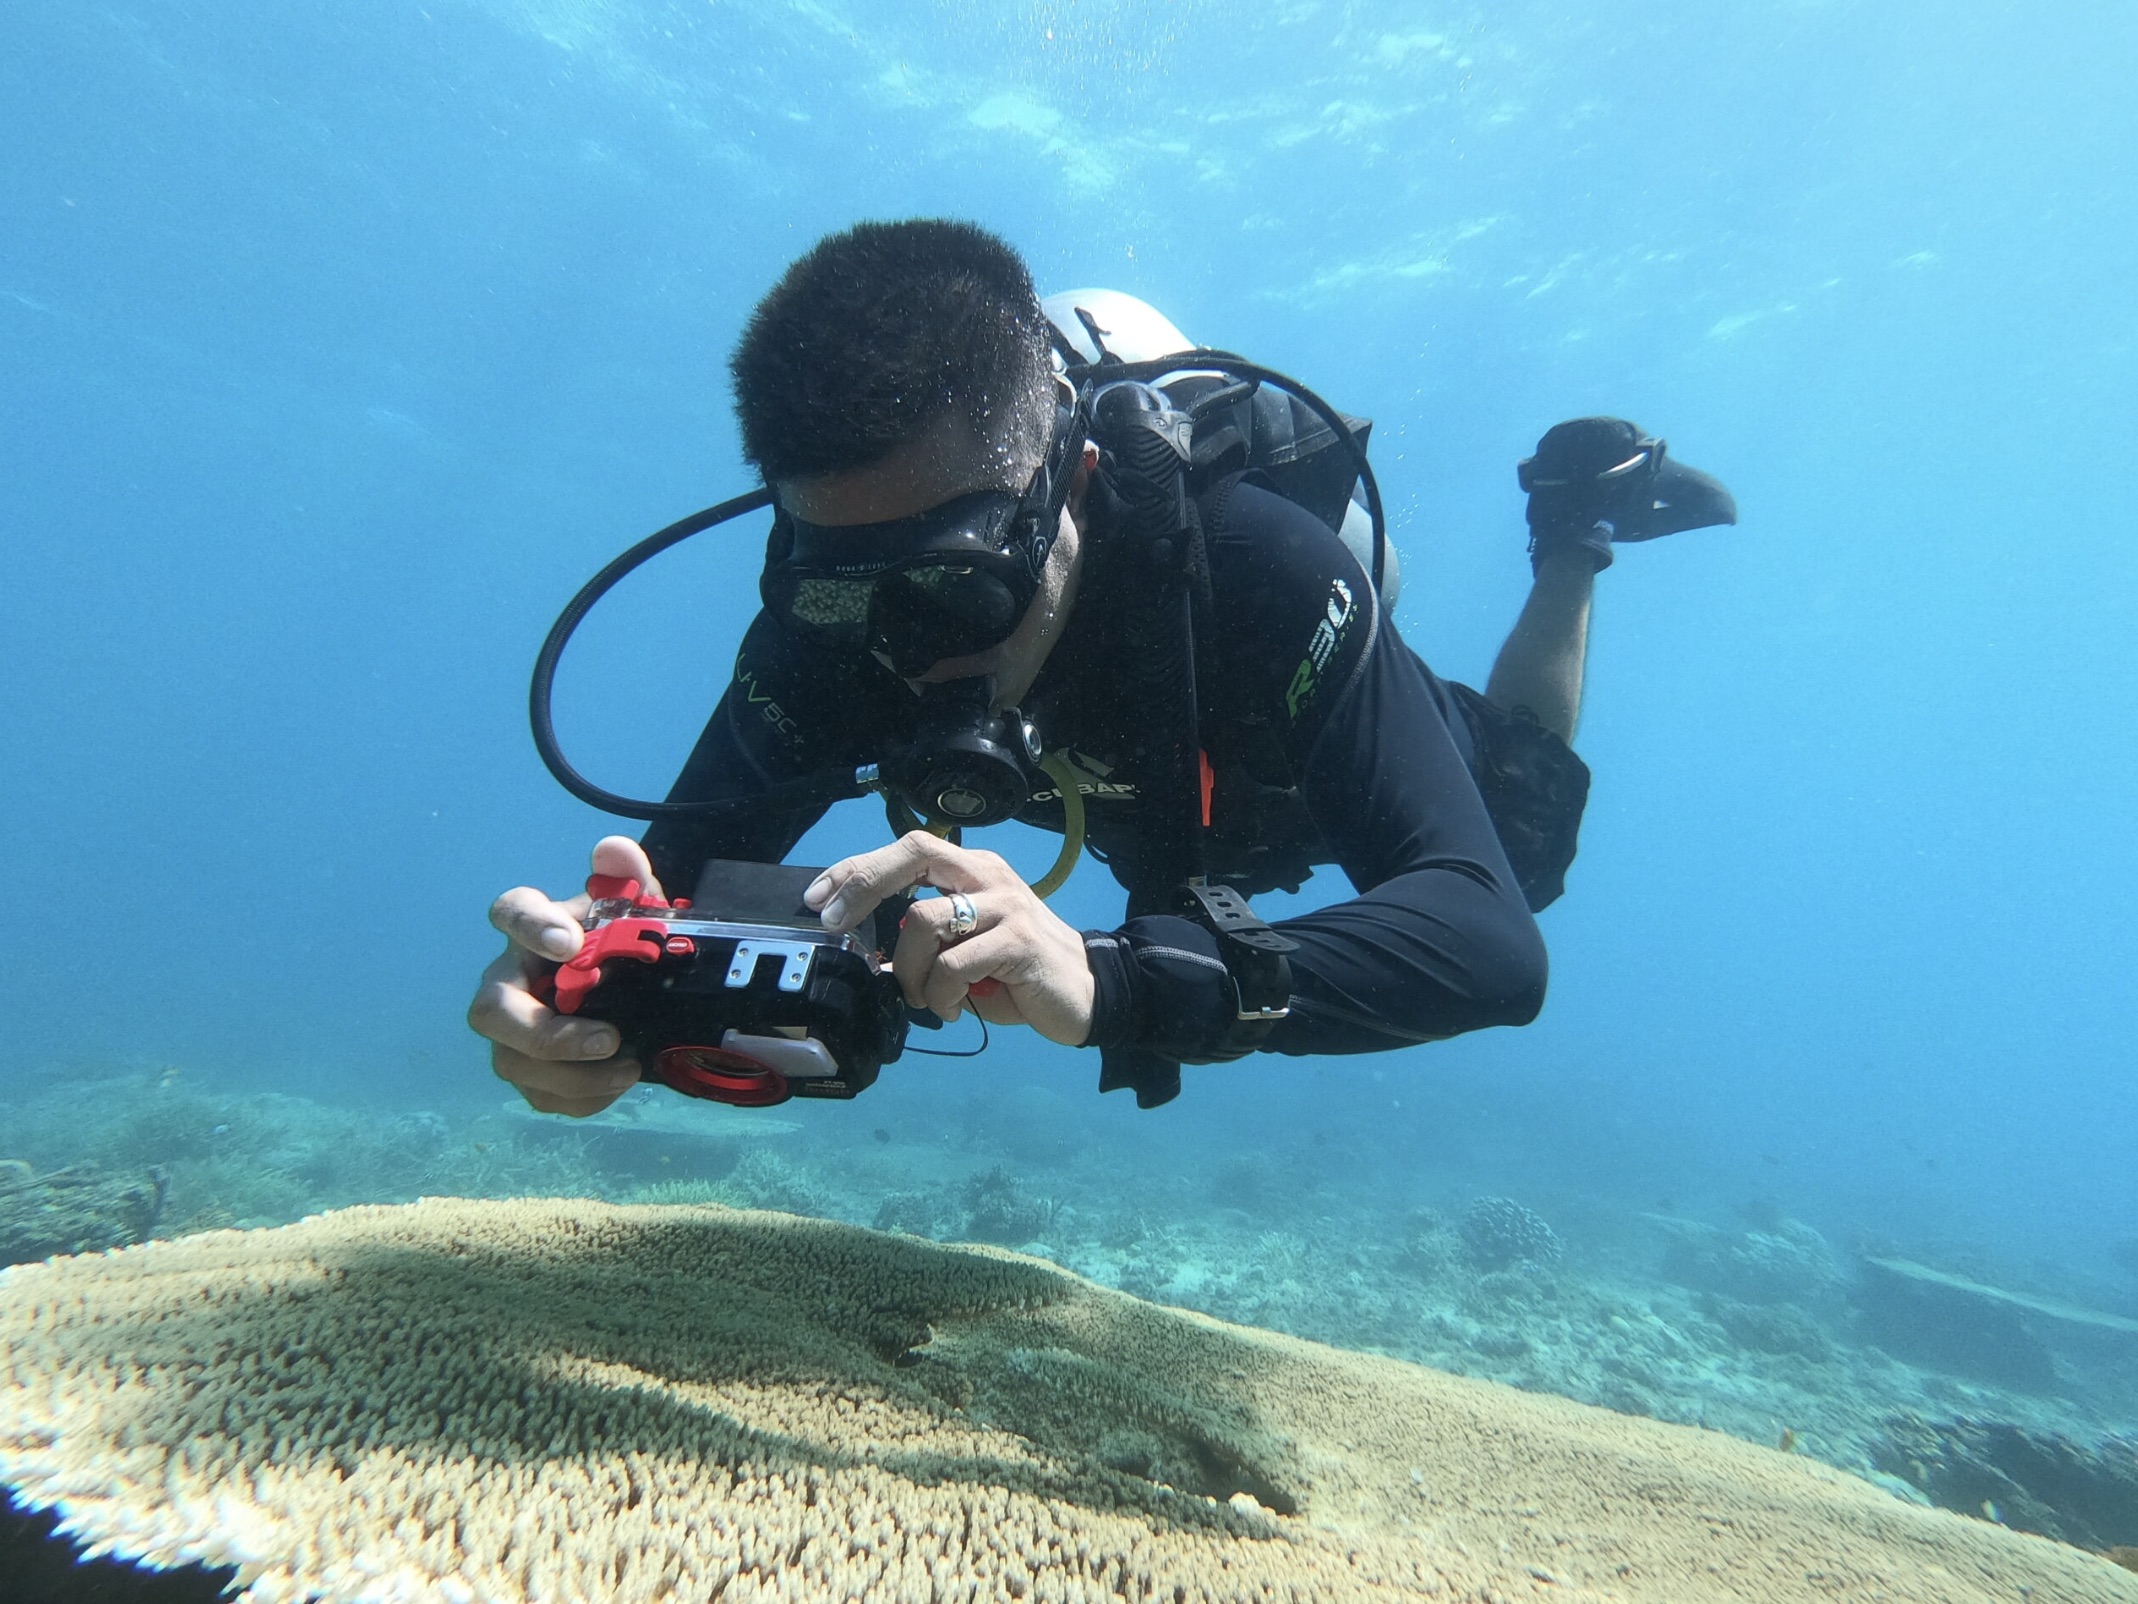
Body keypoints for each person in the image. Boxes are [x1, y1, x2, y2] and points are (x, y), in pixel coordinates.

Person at [470, 219, 1735, 1116]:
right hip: (1152, 821)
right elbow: (668, 890)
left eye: (956, 586)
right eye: (845, 590)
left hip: (1276, 759)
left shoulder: (1258, 568)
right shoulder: (827, 627)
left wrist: (1115, 978)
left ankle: (1571, 532)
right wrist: (583, 992)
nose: (906, 651)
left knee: (1529, 823)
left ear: (1068, 486)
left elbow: (1488, 940)